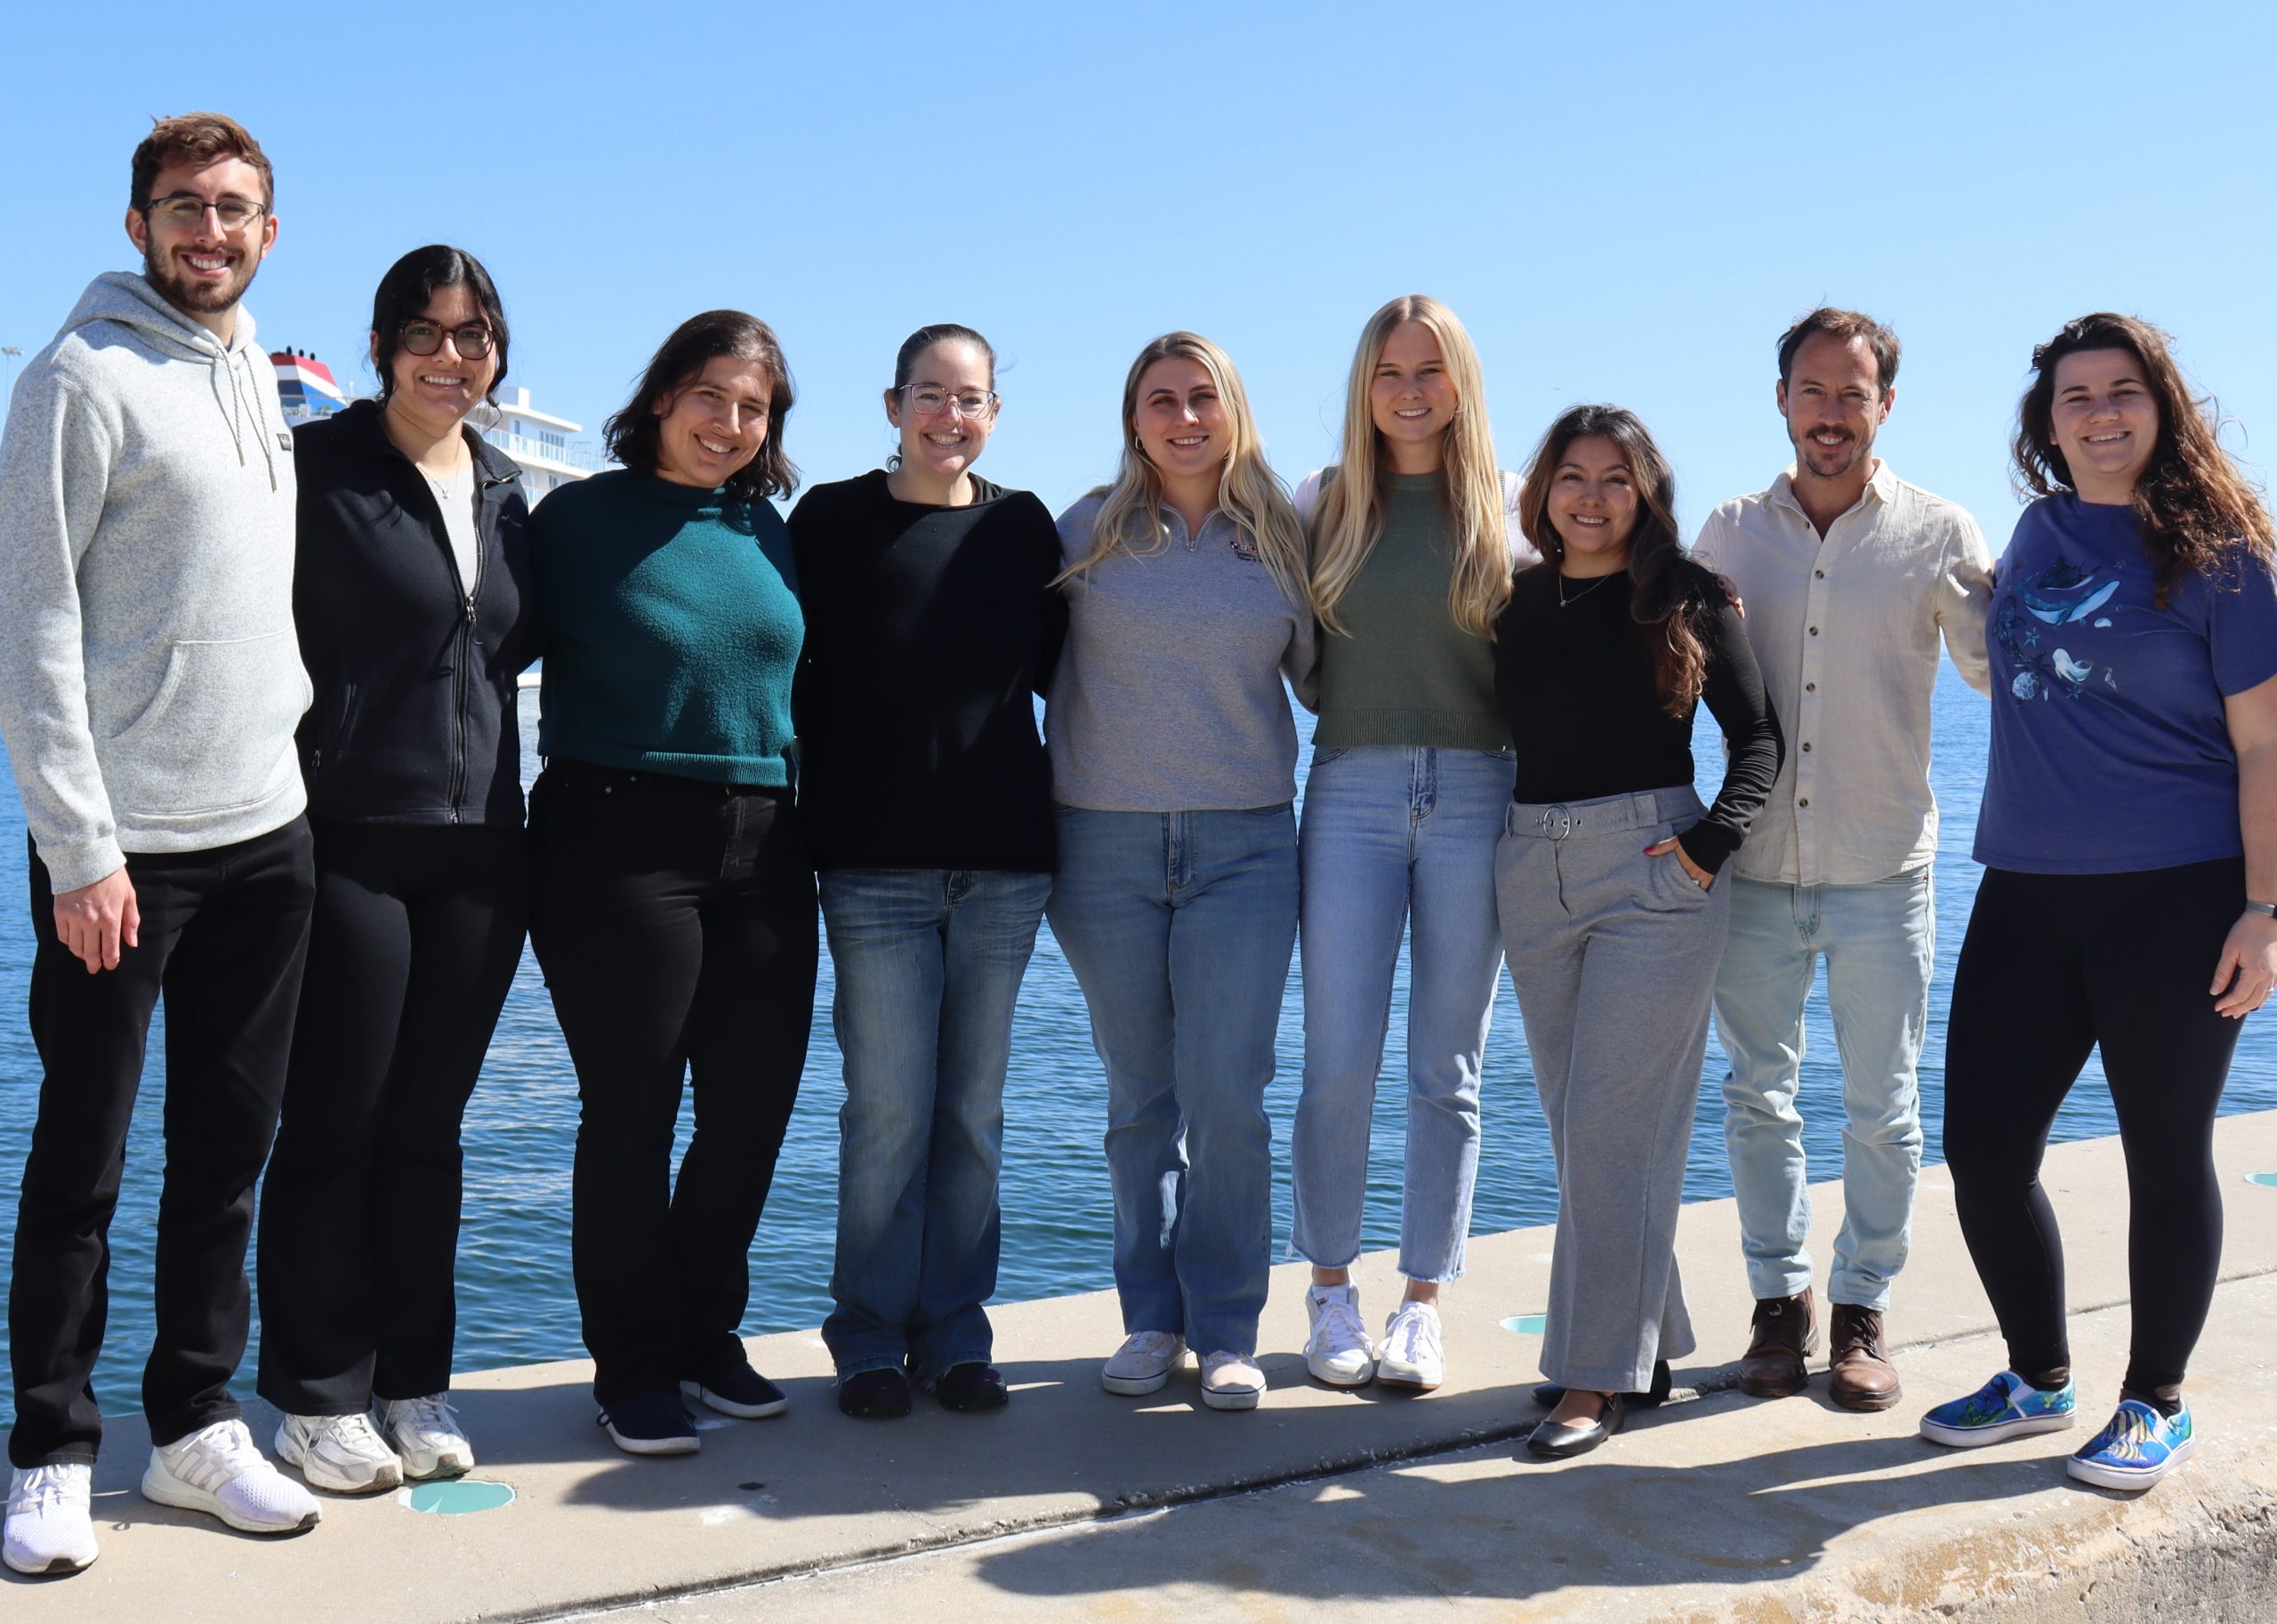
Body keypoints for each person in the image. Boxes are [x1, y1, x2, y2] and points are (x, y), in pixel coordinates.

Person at [0, 112, 322, 1577]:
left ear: (269, 228)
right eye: (184, 207)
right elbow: (36, 624)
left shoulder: (255, 367)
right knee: (84, 1157)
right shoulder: (76, 378)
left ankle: (195, 1423)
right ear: (136, 225)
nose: (210, 229)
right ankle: (52, 1450)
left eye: (235, 209)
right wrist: (76, 848)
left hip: (269, 832)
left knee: (227, 1154)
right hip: (124, 856)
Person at [1921, 313, 2277, 1491]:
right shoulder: (2036, 529)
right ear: (2048, 423)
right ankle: (2037, 1374)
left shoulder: (2224, 553)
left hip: (2176, 893)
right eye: (2076, 396)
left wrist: (2266, 909)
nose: (2101, 412)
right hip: (2025, 886)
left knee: (2164, 1153)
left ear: (2161, 407)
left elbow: (2265, 743)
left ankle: (2154, 1399)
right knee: (1981, 1144)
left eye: (2123, 391)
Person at [254, 245, 535, 1492]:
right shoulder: (314, 470)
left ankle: (414, 1380)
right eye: (425, 332)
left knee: (429, 1128)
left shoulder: (506, 486)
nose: (450, 355)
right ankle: (316, 1394)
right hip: (348, 836)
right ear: (380, 347)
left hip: (483, 849)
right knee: (335, 1122)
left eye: (473, 335)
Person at [1689, 309, 1993, 1411]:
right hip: (1757, 864)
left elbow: (2000, 674)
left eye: (1851, 392)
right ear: (1781, 399)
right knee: (1756, 1094)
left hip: (1881, 866)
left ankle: (1863, 1303)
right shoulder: (1727, 533)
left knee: (1884, 1104)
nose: (1831, 412)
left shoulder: (1939, 532)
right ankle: (1780, 1302)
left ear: (1885, 405)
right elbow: (1662, 665)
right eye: (1812, 390)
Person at [526, 310, 817, 1458]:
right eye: (711, 396)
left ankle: (705, 1334)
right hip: (617, 838)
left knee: (750, 1112)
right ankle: (632, 1365)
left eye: (754, 409)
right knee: (633, 1114)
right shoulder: (577, 519)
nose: (730, 423)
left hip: (766, 841)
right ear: (660, 396)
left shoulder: (767, 527)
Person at [1493, 405, 1782, 1459]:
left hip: (1655, 867)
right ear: (1543, 491)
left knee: (1613, 1126)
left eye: (1616, 478)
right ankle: (1643, 1343)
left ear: (1646, 494)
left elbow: (1758, 740)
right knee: (1585, 1129)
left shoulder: (1687, 595)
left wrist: (1711, 842)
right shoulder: (1513, 601)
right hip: (1528, 864)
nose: (1591, 496)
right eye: (1571, 475)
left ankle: (1591, 1378)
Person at [789, 324, 1066, 1419]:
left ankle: (954, 1334)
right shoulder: (830, 521)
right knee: (890, 1109)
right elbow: (784, 668)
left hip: (1003, 864)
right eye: (931, 395)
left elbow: (1070, 675)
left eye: (972, 398)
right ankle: (865, 1336)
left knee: (974, 1114)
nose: (950, 416)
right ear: (893, 403)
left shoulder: (1023, 527)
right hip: (873, 867)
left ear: (995, 411)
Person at [1046, 331, 1317, 1411]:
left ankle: (1228, 1326)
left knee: (1231, 1098)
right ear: (1133, 418)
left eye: (1203, 396)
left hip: (1246, 846)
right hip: (1100, 844)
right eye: (1161, 399)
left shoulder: (1284, 538)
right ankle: (1150, 1322)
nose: (1184, 416)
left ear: (1234, 410)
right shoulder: (1084, 530)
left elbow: (1335, 674)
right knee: (1138, 1099)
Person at [1287, 294, 1527, 1393]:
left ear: (1460, 381)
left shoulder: (1510, 509)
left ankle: (1421, 1301)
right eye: (1390, 370)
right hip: (1349, 793)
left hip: (1479, 791)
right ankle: (1330, 1292)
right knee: (1338, 1060)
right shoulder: (1321, 502)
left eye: (1431, 369)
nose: (1411, 388)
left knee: (1449, 1066)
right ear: (1363, 385)